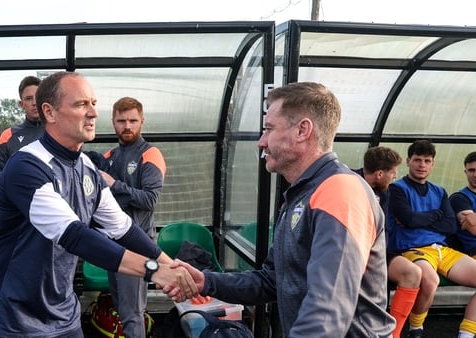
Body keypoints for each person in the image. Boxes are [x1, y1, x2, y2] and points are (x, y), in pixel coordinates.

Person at [0, 71, 196, 338]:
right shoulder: (26, 165)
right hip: (12, 319)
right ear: (50, 112)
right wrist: (153, 270)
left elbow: (123, 229)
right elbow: (74, 234)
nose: (93, 112)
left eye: (93, 103)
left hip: (64, 315)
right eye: (81, 104)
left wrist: (172, 266)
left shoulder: (86, 167)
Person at [176, 82, 395, 337]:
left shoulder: (339, 191)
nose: (261, 142)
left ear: (303, 130)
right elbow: (272, 279)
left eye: (269, 129)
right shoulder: (300, 195)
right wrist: (207, 282)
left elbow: (327, 312)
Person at [387, 140, 476, 338]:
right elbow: (409, 219)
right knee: (430, 280)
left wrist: (420, 218)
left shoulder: (439, 191)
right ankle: (416, 329)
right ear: (408, 161)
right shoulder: (397, 189)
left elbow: (450, 226)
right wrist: (436, 215)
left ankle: (467, 334)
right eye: (417, 160)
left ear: (432, 164)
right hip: (413, 249)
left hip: (442, 250)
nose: (422, 165)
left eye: (427, 161)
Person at [99, 96, 167, 337]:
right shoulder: (109, 156)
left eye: (132, 120)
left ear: (142, 122)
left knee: (133, 312)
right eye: (121, 121)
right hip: (112, 243)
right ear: (113, 122)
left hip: (137, 245)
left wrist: (115, 185)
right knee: (120, 307)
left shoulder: (151, 154)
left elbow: (149, 200)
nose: (127, 126)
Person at [354, 146, 422, 338]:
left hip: (377, 251)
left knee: (412, 273)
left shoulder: (384, 191)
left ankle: (393, 334)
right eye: (393, 172)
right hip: (352, 252)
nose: (395, 176)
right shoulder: (350, 185)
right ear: (379, 173)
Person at [0, 75, 43, 189]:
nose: (34, 102)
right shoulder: (8, 135)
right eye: (28, 98)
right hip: (19, 202)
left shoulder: (59, 132)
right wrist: (18, 178)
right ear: (21, 104)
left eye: (38, 97)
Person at [450, 151, 476, 256]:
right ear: (465, 172)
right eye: (471, 170)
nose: (475, 175)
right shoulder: (459, 199)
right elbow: (474, 229)